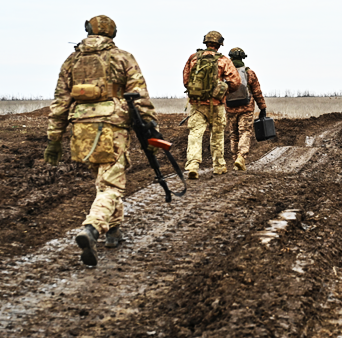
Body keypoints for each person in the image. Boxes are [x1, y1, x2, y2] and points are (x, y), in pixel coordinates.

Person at [44, 15, 157, 266]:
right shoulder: (122, 57)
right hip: (112, 126)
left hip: (81, 128)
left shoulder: (71, 61)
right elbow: (139, 95)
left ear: (87, 31)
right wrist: (150, 129)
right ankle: (92, 229)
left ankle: (113, 232)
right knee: (111, 186)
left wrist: (54, 138)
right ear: (113, 34)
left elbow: (61, 102)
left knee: (103, 180)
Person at [182, 31, 240, 179]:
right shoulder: (224, 60)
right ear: (219, 44)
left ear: (206, 42)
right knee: (217, 135)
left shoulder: (193, 58)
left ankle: (193, 165)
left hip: (197, 104)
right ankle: (219, 166)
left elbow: (186, 80)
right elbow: (235, 82)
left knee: (195, 134)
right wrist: (224, 90)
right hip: (217, 104)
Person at [225, 47, 267, 171]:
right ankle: (241, 157)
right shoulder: (249, 73)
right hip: (246, 108)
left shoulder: (225, 73)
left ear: (231, 58)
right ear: (242, 58)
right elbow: (257, 91)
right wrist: (262, 107)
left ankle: (235, 160)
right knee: (245, 132)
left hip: (230, 108)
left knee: (234, 135)